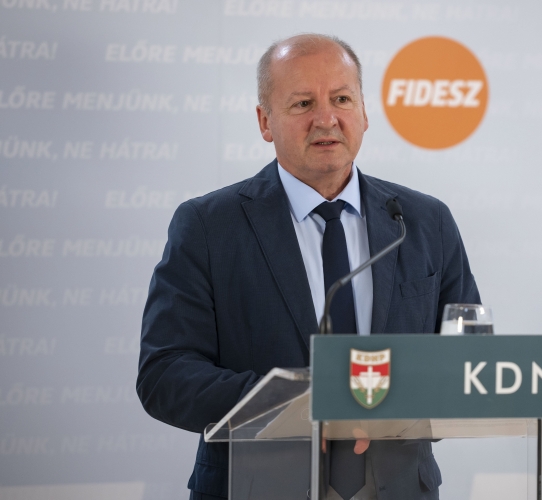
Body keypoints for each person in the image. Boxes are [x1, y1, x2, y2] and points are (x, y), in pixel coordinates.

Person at [137, 33, 481, 500]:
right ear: (265, 121)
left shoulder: (423, 221)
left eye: (341, 99)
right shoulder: (208, 226)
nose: (326, 118)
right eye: (302, 104)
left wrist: (394, 401)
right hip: (257, 488)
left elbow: (468, 363)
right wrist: (296, 404)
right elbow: (165, 375)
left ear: (364, 112)